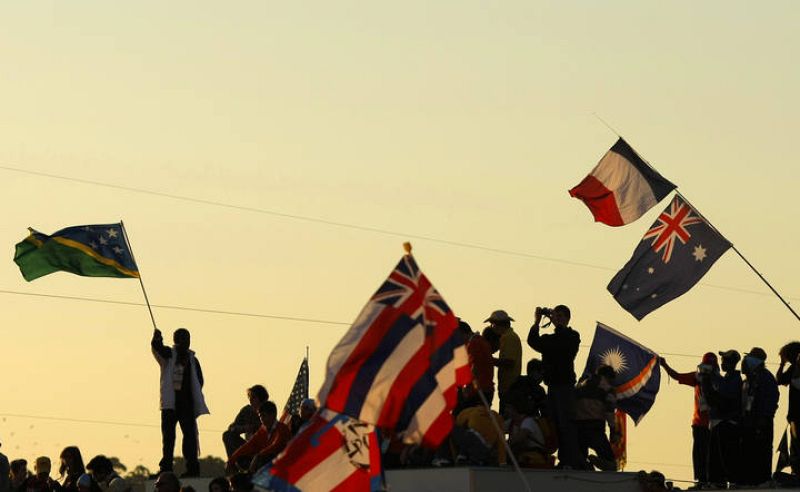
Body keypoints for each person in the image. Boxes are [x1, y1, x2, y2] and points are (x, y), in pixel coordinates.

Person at [527, 304, 582, 469]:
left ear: (567, 318)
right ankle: (563, 460)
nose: (556, 319)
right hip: (552, 386)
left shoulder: (572, 336)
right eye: (555, 316)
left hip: (565, 387)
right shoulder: (550, 339)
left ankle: (570, 461)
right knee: (555, 425)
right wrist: (537, 322)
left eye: (560, 316)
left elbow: (564, 344)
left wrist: (556, 324)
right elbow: (533, 341)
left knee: (566, 425)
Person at [152, 327, 210, 477]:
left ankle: (192, 468)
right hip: (170, 404)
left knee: (190, 437)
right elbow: (157, 348)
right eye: (182, 339)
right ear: (176, 341)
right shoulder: (169, 355)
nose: (186, 342)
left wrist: (191, 396)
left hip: (186, 404)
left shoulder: (192, 360)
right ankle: (166, 467)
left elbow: (199, 380)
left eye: (187, 339)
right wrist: (157, 339)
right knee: (168, 437)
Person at [660, 353, 717, 485]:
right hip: (699, 424)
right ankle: (701, 480)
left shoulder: (718, 381)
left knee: (710, 455)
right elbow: (677, 376)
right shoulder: (696, 378)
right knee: (699, 455)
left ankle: (710, 480)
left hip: (713, 424)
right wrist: (664, 365)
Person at [702, 349, 743, 487]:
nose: (722, 363)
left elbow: (722, 400)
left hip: (727, 423)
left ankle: (730, 481)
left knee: (726, 456)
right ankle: (717, 481)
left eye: (725, 360)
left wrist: (707, 383)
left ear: (731, 363)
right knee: (715, 457)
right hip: (719, 422)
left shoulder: (734, 380)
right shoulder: (726, 379)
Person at [740, 347, 779, 486]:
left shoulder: (766, 377)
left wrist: (765, 417)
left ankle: (763, 479)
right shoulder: (748, 380)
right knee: (749, 450)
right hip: (748, 421)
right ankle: (751, 479)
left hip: (761, 421)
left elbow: (772, 398)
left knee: (762, 449)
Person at [226, 401, 292, 474]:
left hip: (281, 462)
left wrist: (259, 456)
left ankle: (253, 475)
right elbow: (249, 445)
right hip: (264, 459)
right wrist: (231, 460)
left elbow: (276, 445)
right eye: (260, 416)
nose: (262, 419)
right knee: (241, 458)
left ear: (273, 415)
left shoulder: (282, 429)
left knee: (264, 458)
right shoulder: (262, 430)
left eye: (264, 416)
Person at [575, 365, 619, 471]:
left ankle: (586, 464)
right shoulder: (607, 389)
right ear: (608, 376)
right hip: (595, 428)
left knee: (580, 464)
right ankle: (596, 461)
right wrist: (613, 430)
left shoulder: (581, 384)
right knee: (611, 464)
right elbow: (609, 412)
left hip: (578, 428)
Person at [484, 310, 522, 413]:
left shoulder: (510, 338)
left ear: (499, 325)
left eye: (493, 324)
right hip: (506, 386)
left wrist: (488, 360)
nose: (492, 327)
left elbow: (509, 362)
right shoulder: (507, 337)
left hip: (509, 387)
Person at [223, 385, 269, 466]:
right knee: (227, 435)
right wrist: (243, 428)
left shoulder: (268, 411)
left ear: (261, 398)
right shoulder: (246, 411)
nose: (251, 400)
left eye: (254, 397)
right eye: (250, 397)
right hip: (247, 447)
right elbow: (231, 428)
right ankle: (233, 466)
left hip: (263, 449)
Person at [505, 397, 556, 469]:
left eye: (508, 408)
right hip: (525, 457)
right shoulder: (511, 422)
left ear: (516, 408)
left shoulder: (528, 421)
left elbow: (520, 438)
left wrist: (502, 446)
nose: (506, 410)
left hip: (533, 458)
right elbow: (498, 428)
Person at [456, 320, 495, 413]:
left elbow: (475, 367)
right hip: (484, 388)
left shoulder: (474, 343)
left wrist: (467, 387)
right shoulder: (480, 341)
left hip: (478, 390)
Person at [777, 341, 800, 476]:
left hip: (797, 415)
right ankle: (796, 471)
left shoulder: (796, 370)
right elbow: (779, 380)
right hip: (794, 416)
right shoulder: (793, 369)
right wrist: (782, 364)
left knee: (797, 445)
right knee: (795, 446)